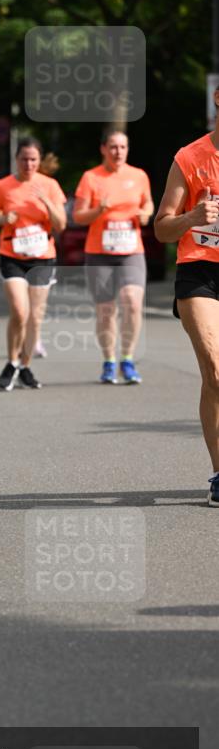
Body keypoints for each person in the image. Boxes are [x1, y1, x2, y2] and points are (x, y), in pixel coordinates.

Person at [154, 86, 219, 506]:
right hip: (200, 272)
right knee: (216, 370)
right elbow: (162, 226)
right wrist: (193, 216)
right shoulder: (191, 157)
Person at [0, 137, 67, 390]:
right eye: (24, 159)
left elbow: (61, 224)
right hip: (12, 255)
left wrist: (47, 202)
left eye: (33, 159)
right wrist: (2, 219)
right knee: (20, 312)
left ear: (39, 160)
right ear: (16, 159)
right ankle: (12, 362)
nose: (28, 164)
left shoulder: (50, 185)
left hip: (43, 257)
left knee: (35, 317)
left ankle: (25, 366)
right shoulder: (3, 186)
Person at [74, 129, 154, 384]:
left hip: (131, 250)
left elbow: (149, 203)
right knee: (106, 310)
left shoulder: (138, 175)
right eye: (113, 147)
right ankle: (109, 361)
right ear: (103, 149)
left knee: (132, 301)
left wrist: (145, 213)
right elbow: (78, 216)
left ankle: (127, 359)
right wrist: (99, 209)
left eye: (122, 147)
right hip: (100, 253)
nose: (118, 152)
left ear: (127, 150)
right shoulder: (91, 178)